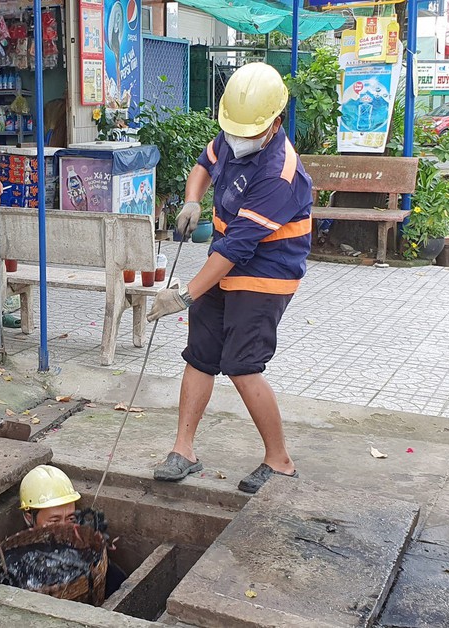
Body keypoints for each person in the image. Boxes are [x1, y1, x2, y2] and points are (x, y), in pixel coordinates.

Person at [146, 62, 313, 495]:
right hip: (226, 256)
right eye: (232, 130)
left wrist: (185, 295)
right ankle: (184, 450)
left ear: (275, 123)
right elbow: (205, 163)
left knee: (242, 364)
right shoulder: (235, 131)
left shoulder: (280, 174)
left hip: (266, 272)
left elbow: (238, 248)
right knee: (200, 352)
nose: (237, 138)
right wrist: (191, 201)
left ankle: (280, 461)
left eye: (248, 132)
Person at [17, 465, 127, 596]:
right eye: (54, 521)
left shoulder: (80, 544)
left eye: (70, 518)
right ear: (29, 517)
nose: (64, 528)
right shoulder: (18, 561)